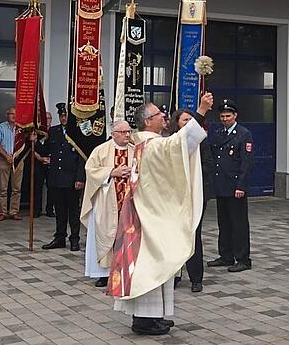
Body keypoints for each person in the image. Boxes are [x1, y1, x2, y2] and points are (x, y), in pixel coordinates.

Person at [109, 95, 212, 336]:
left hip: (149, 212)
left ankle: (152, 317)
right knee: (150, 265)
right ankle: (144, 321)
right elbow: (181, 143)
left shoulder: (147, 143)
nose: (164, 117)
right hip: (148, 217)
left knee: (157, 264)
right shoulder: (151, 144)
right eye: (158, 115)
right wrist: (201, 111)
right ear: (147, 121)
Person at [81, 120, 135, 288]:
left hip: (129, 202)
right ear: (114, 134)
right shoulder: (101, 150)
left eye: (129, 131)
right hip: (106, 202)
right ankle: (103, 274)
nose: (127, 135)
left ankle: (126, 271)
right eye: (123, 132)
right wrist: (112, 172)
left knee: (128, 236)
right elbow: (90, 171)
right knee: (105, 234)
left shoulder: (135, 151)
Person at [207, 99, 254, 273]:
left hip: (236, 187)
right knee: (224, 223)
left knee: (239, 224)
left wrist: (241, 186)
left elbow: (246, 163)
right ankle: (226, 255)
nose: (225, 119)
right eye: (222, 116)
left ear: (235, 116)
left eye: (228, 116)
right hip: (221, 186)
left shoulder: (243, 134)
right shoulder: (219, 133)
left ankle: (243, 258)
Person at [172, 108, 214, 293]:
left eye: (191, 120)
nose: (188, 123)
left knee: (193, 234)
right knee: (174, 234)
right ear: (177, 123)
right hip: (175, 196)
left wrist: (193, 177)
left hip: (196, 193)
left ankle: (196, 278)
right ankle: (174, 274)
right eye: (184, 120)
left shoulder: (201, 141)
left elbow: (208, 164)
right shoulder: (171, 142)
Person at [41, 104, 86, 251]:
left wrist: (80, 178)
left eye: (66, 115)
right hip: (56, 178)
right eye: (61, 116)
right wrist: (37, 140)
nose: (64, 118)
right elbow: (46, 149)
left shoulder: (78, 132)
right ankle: (60, 237)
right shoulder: (53, 131)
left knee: (73, 210)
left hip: (72, 179)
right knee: (59, 211)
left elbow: (81, 158)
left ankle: (74, 238)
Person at [0, 107, 21, 221]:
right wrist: (6, 156)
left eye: (15, 114)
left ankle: (14, 211)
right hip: (4, 159)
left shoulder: (21, 128)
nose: (13, 116)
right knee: (2, 188)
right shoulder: (0, 127)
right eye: (11, 114)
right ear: (7, 115)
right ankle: (2, 212)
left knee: (16, 188)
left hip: (18, 160)